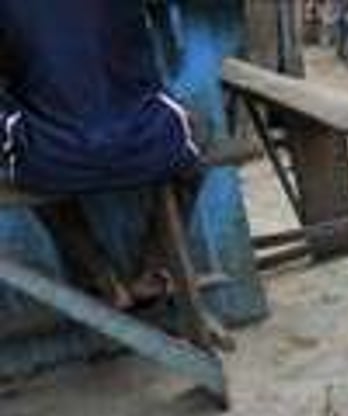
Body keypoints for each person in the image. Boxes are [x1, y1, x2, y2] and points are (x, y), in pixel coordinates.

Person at [0, 0, 203, 309]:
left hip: (53, 158)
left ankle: (100, 277)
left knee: (33, 179)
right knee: (191, 163)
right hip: (145, 142)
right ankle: (154, 268)